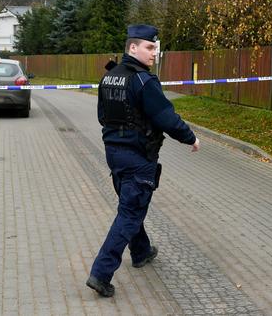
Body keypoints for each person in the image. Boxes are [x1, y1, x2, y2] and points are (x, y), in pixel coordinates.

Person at [86, 24, 200, 298]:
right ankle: (101, 273)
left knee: (131, 204)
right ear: (133, 47)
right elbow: (166, 118)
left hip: (114, 154)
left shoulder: (110, 77)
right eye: (149, 48)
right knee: (130, 212)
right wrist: (190, 138)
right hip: (138, 157)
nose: (154, 54)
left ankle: (141, 251)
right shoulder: (143, 81)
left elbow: (103, 116)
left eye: (155, 49)